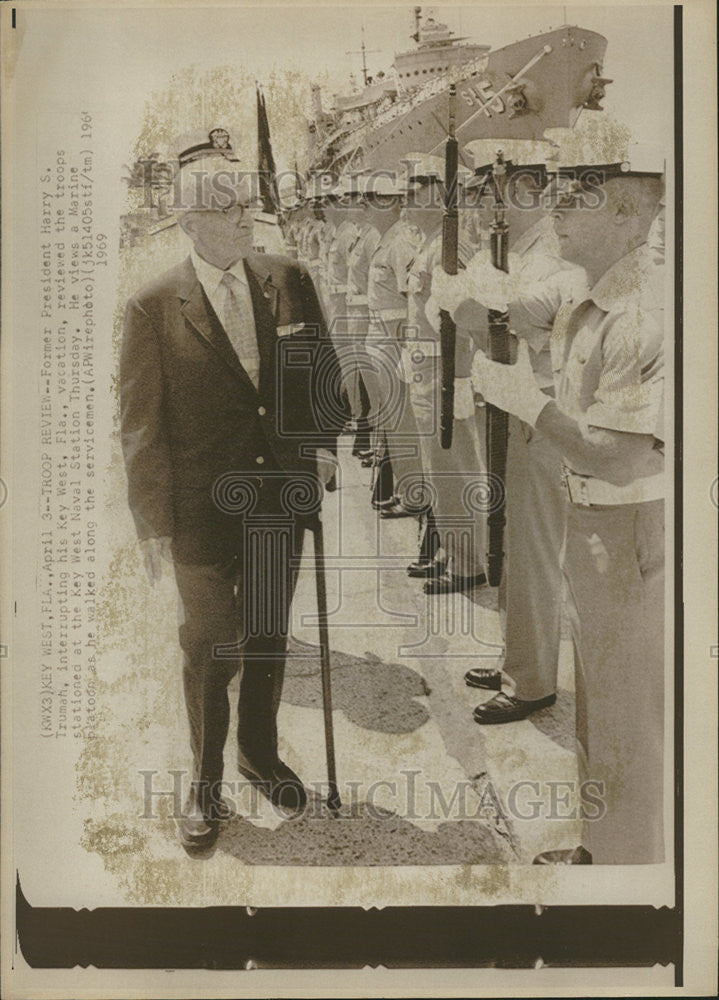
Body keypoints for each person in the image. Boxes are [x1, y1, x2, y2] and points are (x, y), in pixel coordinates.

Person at [120, 129, 345, 852]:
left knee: (269, 636)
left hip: (278, 492)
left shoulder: (288, 277)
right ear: (189, 223)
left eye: (246, 201)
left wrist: (320, 450)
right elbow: (139, 422)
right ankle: (206, 782)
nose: (246, 216)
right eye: (226, 207)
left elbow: (319, 374)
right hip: (200, 508)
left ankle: (257, 750)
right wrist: (153, 523)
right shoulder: (152, 304)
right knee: (211, 647)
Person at [469, 151, 666, 864]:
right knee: (600, 699)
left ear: (628, 216)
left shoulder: (638, 315)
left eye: (580, 194)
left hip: (626, 522)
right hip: (596, 519)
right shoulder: (590, 298)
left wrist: (527, 402)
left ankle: (623, 865)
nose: (556, 203)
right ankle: (607, 844)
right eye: (557, 190)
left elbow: (610, 452)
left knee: (622, 709)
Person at [429, 146, 588, 720]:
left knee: (531, 548)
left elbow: (496, 317)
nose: (477, 204)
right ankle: (515, 656)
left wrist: (466, 302)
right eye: (475, 193)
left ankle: (533, 681)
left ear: (527, 191)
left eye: (488, 191)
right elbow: (444, 313)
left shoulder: (551, 257)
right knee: (505, 536)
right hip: (501, 405)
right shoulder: (504, 253)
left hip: (536, 417)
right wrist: (459, 301)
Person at [400, 155, 488, 594]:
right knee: (438, 469)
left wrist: (462, 378)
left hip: (442, 371)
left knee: (452, 469)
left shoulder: (449, 246)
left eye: (416, 187)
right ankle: (451, 551)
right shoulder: (431, 242)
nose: (407, 196)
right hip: (425, 368)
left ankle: (468, 563)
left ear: (439, 193)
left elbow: (464, 314)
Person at [365, 174, 423, 517]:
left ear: (392, 204)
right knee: (391, 421)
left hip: (394, 339)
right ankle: (402, 489)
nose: (366, 206)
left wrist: (404, 348)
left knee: (402, 424)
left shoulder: (400, 242)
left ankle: (413, 495)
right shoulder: (384, 239)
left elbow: (410, 298)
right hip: (382, 338)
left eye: (374, 199)